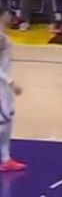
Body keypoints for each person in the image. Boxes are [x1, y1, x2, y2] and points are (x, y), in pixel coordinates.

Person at [0, 10, 25, 173]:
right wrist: (11, 82)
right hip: (2, 86)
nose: (11, 17)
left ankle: (6, 159)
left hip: (5, 87)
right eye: (8, 14)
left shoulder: (4, 35)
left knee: (8, 123)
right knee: (2, 125)